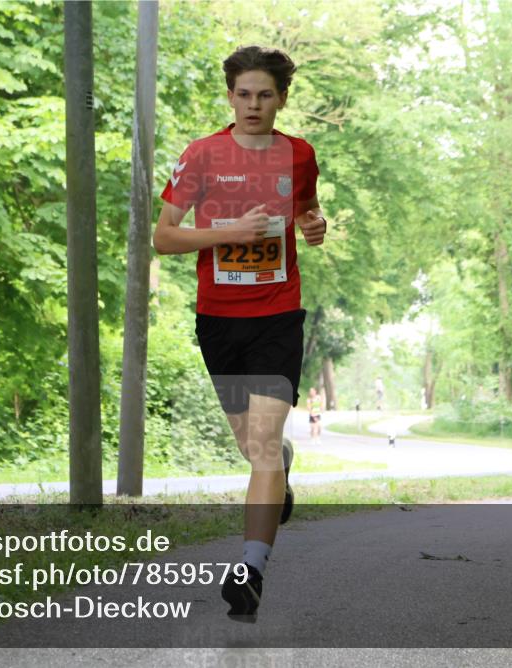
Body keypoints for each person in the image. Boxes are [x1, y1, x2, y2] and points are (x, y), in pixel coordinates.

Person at [152, 45, 326, 622]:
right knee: (254, 447)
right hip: (220, 319)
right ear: (230, 96)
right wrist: (228, 233)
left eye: (265, 94)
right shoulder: (202, 155)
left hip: (278, 313)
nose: (253, 104)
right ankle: (280, 468)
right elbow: (165, 237)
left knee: (263, 446)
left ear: (282, 98)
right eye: (243, 94)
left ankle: (250, 570)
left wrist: (313, 225)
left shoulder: (300, 155)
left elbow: (307, 210)